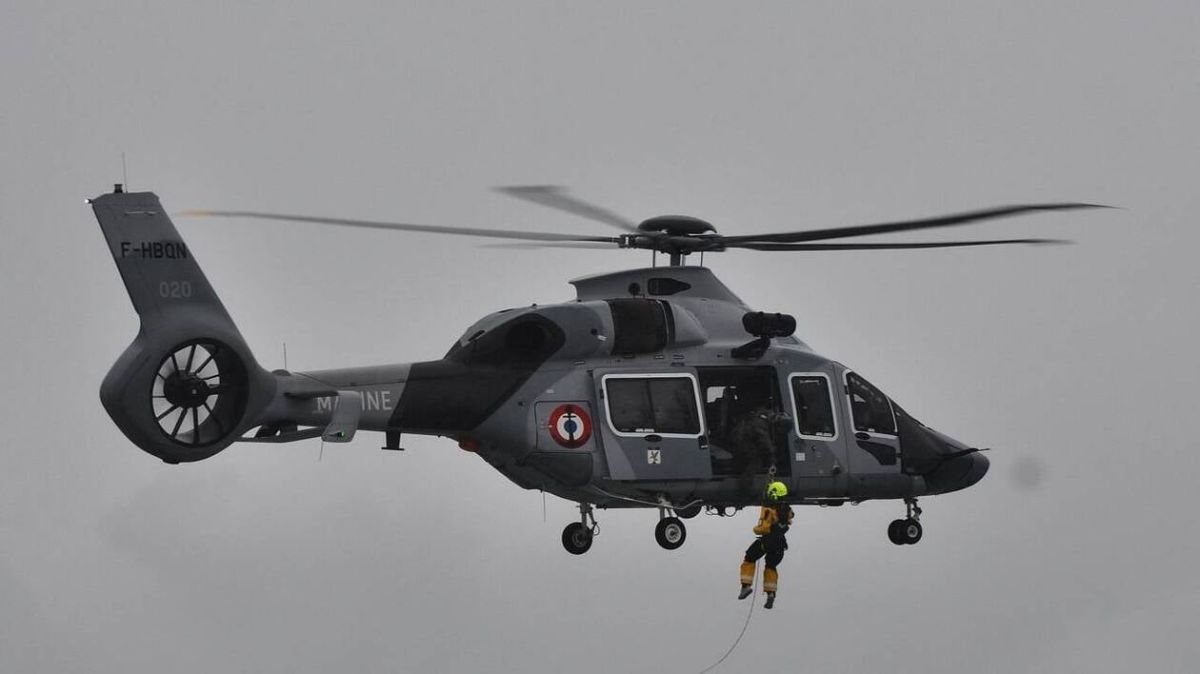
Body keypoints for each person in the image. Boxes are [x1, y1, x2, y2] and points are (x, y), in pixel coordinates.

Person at [738, 480, 794, 609]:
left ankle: (745, 586)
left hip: (768, 541)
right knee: (770, 566)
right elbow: (788, 520)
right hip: (781, 544)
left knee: (750, 557)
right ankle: (771, 594)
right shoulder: (787, 510)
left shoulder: (770, 510)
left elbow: (764, 528)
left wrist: (756, 530)